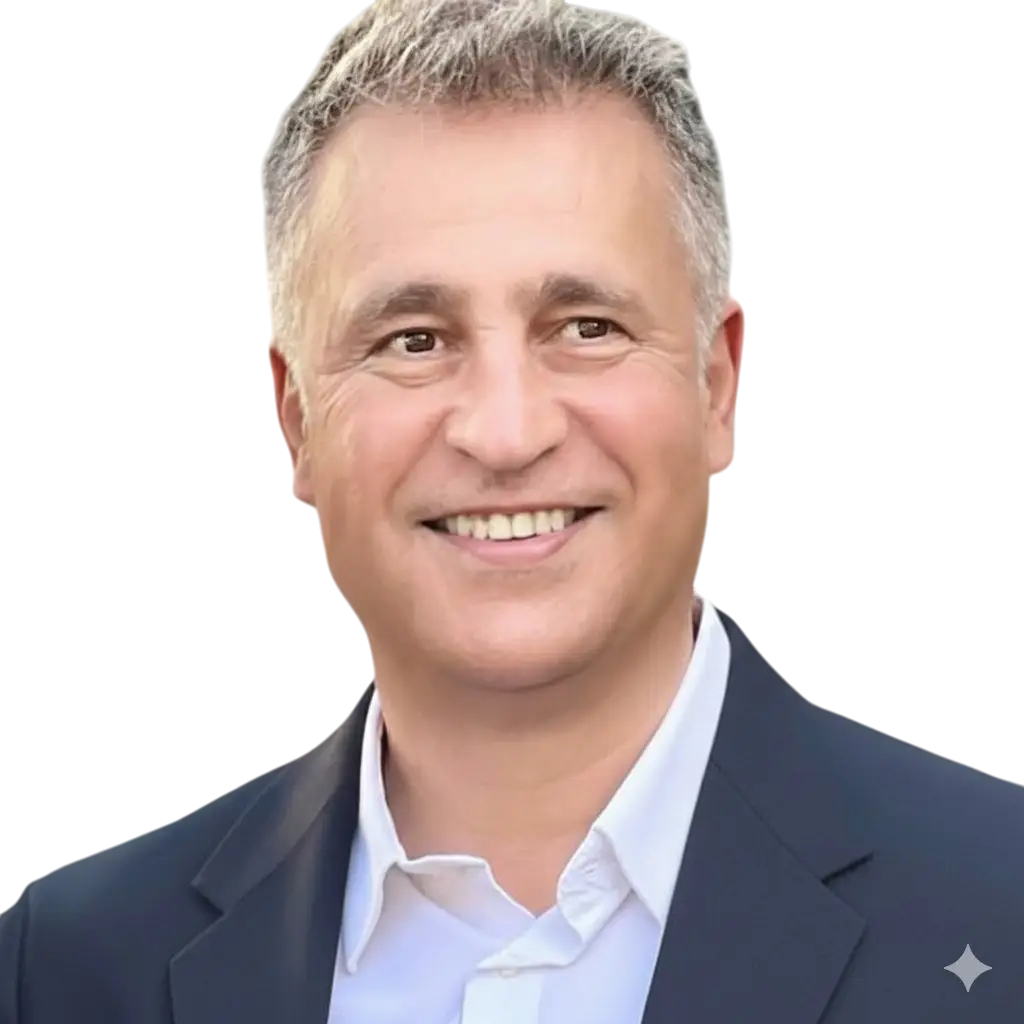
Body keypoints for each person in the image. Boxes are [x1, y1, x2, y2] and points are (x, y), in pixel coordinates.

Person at [2, 2, 1021, 1022]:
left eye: (586, 326)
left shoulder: (1003, 907)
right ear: (296, 421)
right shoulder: (73, 968)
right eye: (414, 339)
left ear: (718, 387)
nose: (505, 432)